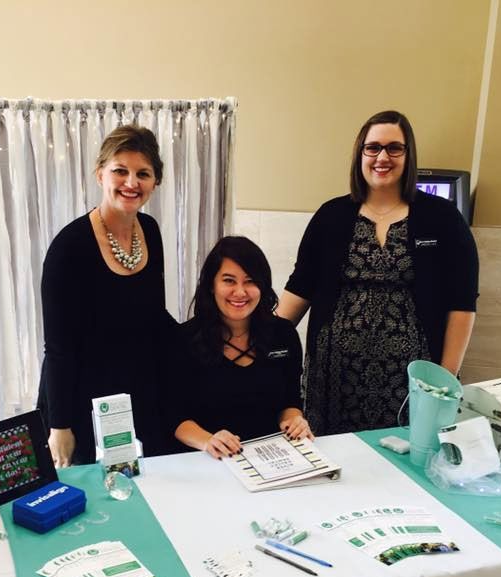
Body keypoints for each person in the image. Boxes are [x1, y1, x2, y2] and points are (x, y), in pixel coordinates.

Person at [277, 110, 479, 434]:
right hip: (333, 380)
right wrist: (256, 342)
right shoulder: (331, 216)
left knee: (401, 465)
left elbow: (463, 303)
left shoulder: (442, 219)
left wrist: (444, 381)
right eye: (373, 148)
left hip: (413, 381)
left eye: (394, 148)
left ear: (407, 155)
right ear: (360, 154)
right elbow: (300, 288)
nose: (382, 157)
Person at [39, 124, 175, 466]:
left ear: (155, 182)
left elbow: (154, 317)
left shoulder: (152, 233)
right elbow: (57, 348)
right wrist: (60, 425)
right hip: (81, 400)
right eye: (120, 171)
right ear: (100, 175)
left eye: (142, 173)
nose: (131, 183)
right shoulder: (69, 247)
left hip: (137, 395)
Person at [170, 236, 313, 458]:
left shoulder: (283, 334)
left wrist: (294, 421)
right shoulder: (184, 338)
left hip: (271, 457)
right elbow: (175, 417)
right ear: (211, 285)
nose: (240, 292)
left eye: (250, 281)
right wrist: (209, 441)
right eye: (229, 280)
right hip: (206, 461)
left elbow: (290, 401)